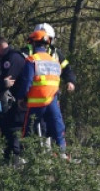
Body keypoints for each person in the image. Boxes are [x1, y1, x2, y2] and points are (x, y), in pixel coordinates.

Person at [19, 30, 68, 159]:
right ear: (47, 45)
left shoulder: (32, 60)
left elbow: (27, 82)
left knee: (28, 130)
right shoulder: (54, 61)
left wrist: (22, 98)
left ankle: (25, 157)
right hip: (52, 101)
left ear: (33, 43)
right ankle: (62, 155)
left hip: (36, 102)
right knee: (58, 128)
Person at [0, 37, 26, 162]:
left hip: (20, 100)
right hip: (18, 99)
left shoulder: (12, 58)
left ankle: (15, 159)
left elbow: (7, 82)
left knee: (13, 128)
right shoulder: (11, 56)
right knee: (9, 128)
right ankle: (9, 158)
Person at [25, 23, 76, 93]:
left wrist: (70, 81)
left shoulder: (55, 54)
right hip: (30, 94)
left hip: (51, 94)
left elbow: (67, 69)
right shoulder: (27, 52)